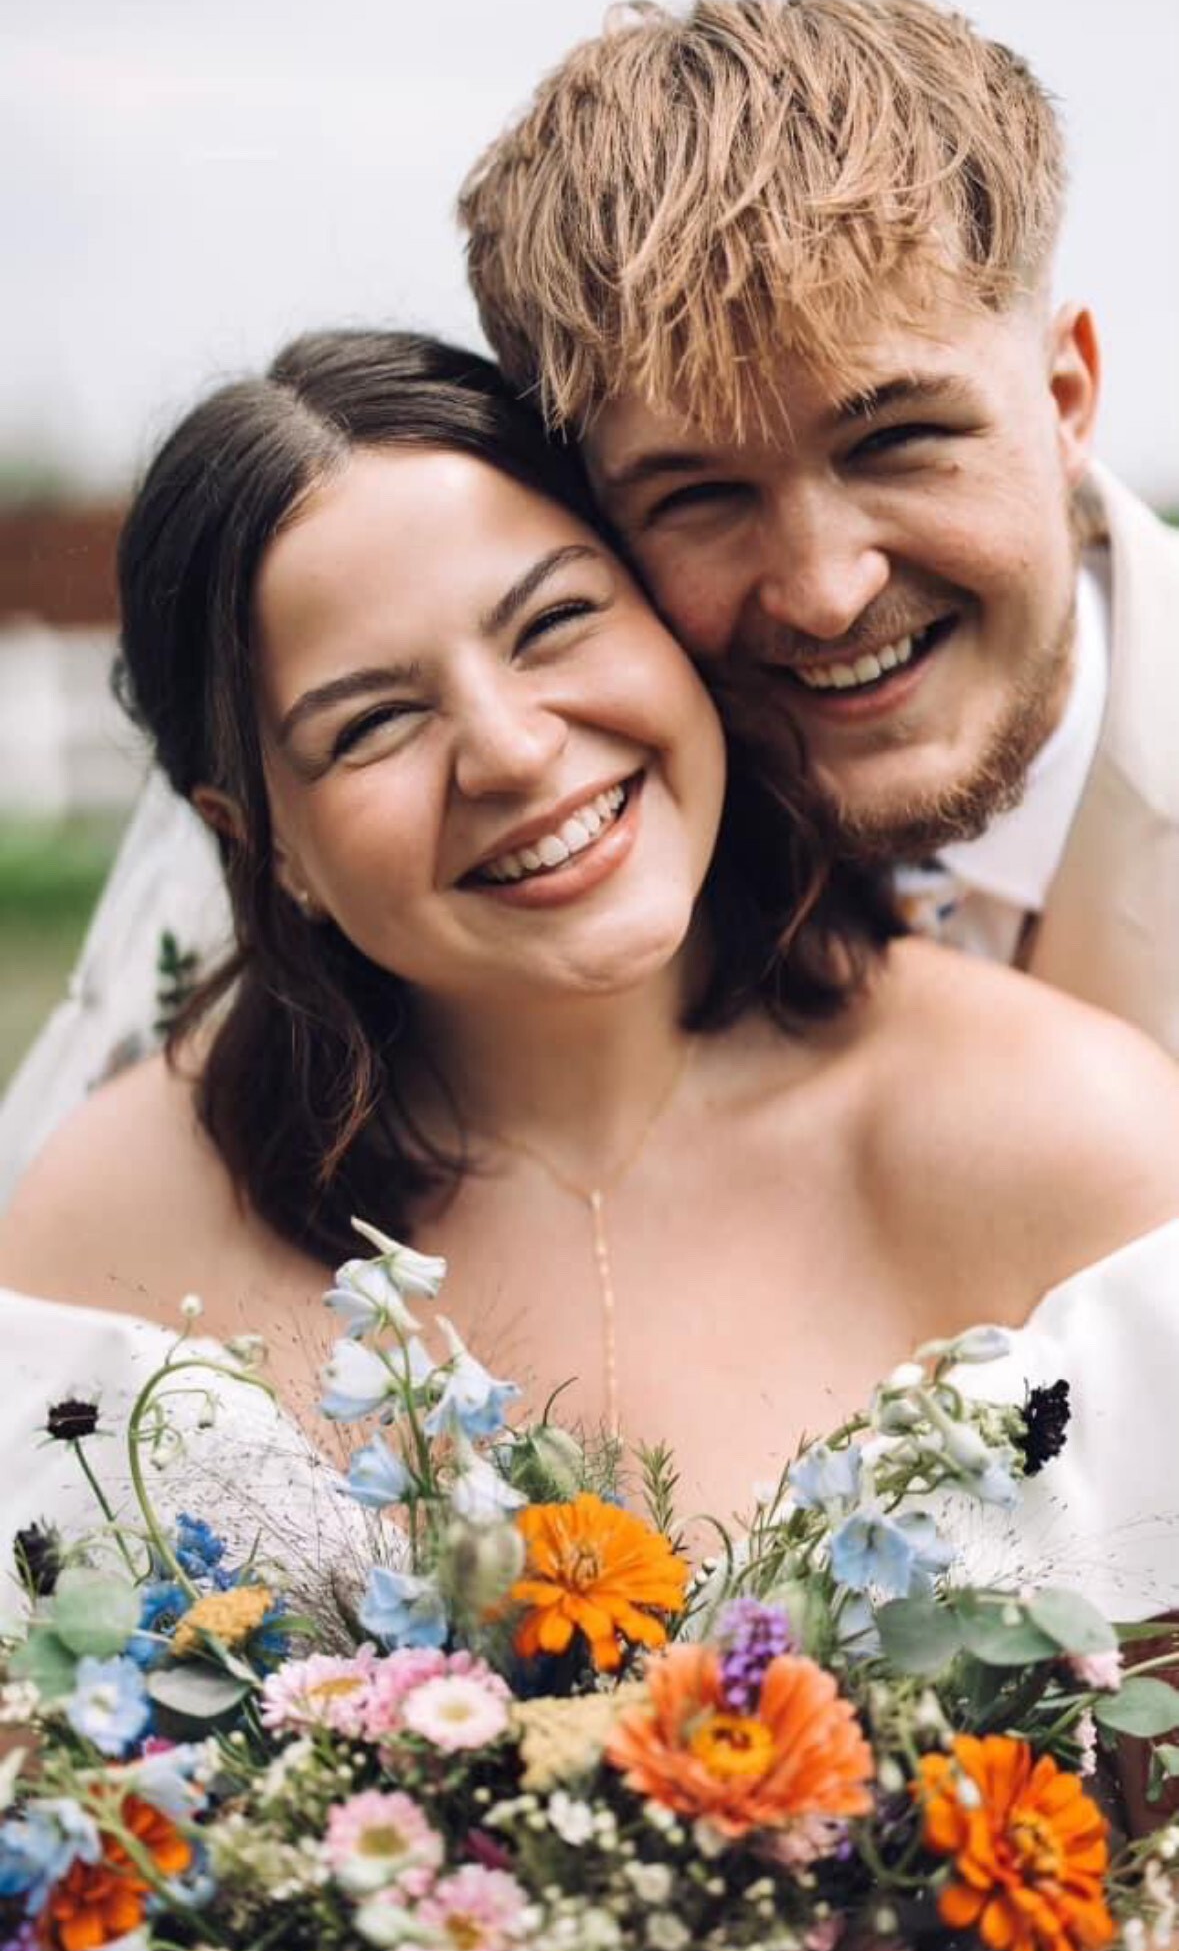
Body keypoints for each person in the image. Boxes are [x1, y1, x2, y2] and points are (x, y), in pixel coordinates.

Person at [2, 329, 1179, 1625]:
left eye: (554, 620)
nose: (507, 749)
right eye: (373, 721)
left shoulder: (1064, 1133)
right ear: (256, 841)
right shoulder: (103, 1242)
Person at [457, 0, 1179, 1056]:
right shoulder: (463, 832)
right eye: (698, 496)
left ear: (1067, 395)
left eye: (893, 443)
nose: (826, 590)